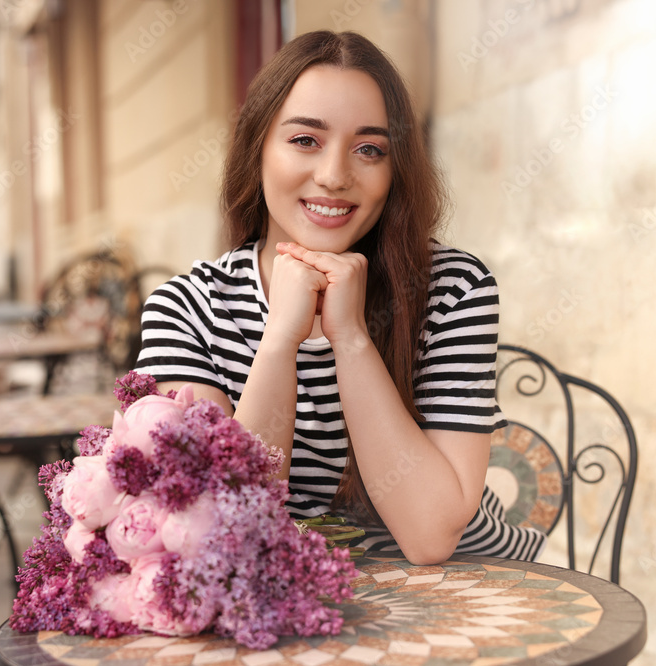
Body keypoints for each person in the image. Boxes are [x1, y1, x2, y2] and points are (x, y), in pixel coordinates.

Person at [135, 30, 545, 564]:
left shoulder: (452, 288)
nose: (333, 176)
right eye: (305, 140)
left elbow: (429, 536)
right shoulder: (186, 309)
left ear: (394, 170)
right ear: (257, 147)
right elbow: (226, 531)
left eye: (369, 149)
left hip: (468, 597)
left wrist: (351, 339)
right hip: (281, 611)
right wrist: (280, 340)